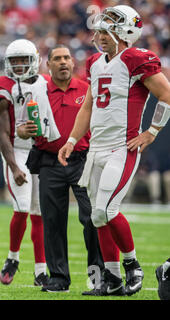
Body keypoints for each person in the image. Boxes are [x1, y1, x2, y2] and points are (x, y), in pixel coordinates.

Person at [58, 5, 170, 296]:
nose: (100, 34)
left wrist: (152, 132)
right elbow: (88, 106)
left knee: (106, 209)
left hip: (122, 147)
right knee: (96, 216)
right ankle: (112, 278)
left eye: (107, 29)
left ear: (125, 31)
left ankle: (132, 264)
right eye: (100, 29)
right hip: (96, 148)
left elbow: (166, 94)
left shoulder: (135, 58)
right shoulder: (95, 61)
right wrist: (71, 140)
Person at [16, 44, 104, 293]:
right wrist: (23, 131)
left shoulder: (86, 90)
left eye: (67, 57)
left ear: (72, 63)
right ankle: (58, 278)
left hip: (82, 161)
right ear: (48, 65)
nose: (63, 62)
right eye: (57, 58)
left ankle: (97, 276)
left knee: (91, 219)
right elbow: (21, 127)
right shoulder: (38, 93)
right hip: (49, 162)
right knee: (53, 222)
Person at [0, 39, 48, 288]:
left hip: (43, 151)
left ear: (34, 60)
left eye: (24, 60)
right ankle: (13, 258)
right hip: (17, 152)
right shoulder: (1, 87)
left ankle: (41, 270)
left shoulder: (48, 84)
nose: (20, 65)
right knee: (22, 207)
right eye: (15, 61)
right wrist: (14, 166)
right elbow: (1, 132)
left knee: (40, 212)